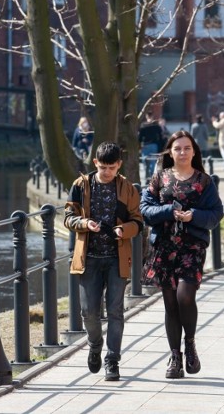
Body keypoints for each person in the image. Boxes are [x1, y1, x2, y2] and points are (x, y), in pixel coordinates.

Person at [140, 131, 224, 379]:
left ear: (194, 151)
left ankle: (190, 344)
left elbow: (215, 214)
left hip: (192, 247)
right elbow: (145, 210)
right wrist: (169, 211)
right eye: (177, 148)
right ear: (170, 152)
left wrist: (193, 216)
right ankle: (174, 356)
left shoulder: (204, 181)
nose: (182, 152)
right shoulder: (159, 178)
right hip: (164, 246)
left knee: (185, 296)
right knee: (170, 303)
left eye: (187, 148)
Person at [64, 141, 144, 381]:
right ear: (95, 162)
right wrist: (84, 223)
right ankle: (95, 344)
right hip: (88, 258)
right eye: (103, 167)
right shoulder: (80, 185)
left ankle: (113, 360)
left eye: (112, 167)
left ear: (119, 165)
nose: (107, 172)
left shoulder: (127, 189)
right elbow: (68, 217)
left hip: (116, 259)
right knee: (88, 311)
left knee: (116, 311)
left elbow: (138, 222)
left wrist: (124, 230)